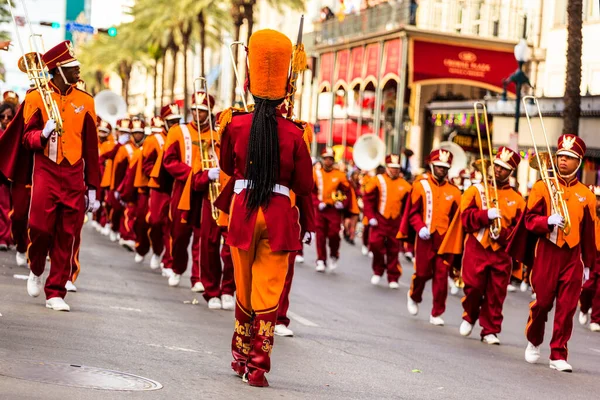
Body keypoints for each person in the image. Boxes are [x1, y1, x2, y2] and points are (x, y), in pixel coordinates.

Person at [218, 29, 313, 387]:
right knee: (268, 293)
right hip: (277, 215)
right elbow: (304, 186)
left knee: (243, 289)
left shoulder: (236, 123)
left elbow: (227, 166)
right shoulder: (295, 132)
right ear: (286, 90)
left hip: (244, 210)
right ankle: (258, 366)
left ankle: (240, 355)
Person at [0, 41, 99, 311]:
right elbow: (25, 138)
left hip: (74, 172)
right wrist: (43, 134)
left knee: (68, 233)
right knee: (40, 227)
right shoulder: (35, 97)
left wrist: (93, 187)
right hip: (46, 168)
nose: (78, 71)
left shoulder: (86, 101)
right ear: (58, 71)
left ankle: (55, 291)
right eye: (73, 68)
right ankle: (36, 268)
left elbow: (91, 146)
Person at [508, 134, 596, 372]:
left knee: (567, 308)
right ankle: (534, 340)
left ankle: (558, 353)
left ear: (578, 162)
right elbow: (528, 220)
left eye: (569, 157)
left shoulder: (586, 195)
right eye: (561, 157)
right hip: (547, 251)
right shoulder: (541, 186)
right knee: (543, 302)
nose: (563, 161)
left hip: (572, 257)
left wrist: (589, 264)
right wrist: (547, 220)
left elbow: (589, 233)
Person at [441, 147, 525, 344]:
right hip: (476, 246)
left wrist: (502, 233)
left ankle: (490, 330)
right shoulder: (475, 190)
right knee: (473, 287)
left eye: (504, 168)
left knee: (497, 292)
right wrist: (484, 216)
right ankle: (469, 316)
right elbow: (464, 217)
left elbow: (518, 231)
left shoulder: (518, 199)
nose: (498, 170)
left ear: (511, 172)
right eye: (496, 166)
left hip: (501, 251)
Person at [399, 149, 460, 326]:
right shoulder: (420, 185)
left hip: (444, 240)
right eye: (439, 166)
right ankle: (413, 295)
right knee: (422, 273)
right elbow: (412, 213)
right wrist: (419, 227)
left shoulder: (455, 192)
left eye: (445, 167)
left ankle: (437, 312)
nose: (442, 170)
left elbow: (457, 219)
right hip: (425, 238)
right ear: (432, 165)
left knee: (441, 277)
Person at [160, 93, 209, 288]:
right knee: (180, 234)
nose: (198, 114)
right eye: (195, 110)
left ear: (208, 113)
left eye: (202, 111)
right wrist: (192, 173)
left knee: (201, 235)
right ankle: (177, 268)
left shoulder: (215, 135)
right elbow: (168, 161)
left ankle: (197, 277)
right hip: (183, 189)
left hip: (206, 190)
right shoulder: (178, 131)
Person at [363, 154, 411, 288]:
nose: (394, 170)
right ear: (387, 167)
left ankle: (393, 276)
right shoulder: (377, 180)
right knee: (375, 244)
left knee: (394, 249)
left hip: (395, 221)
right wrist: (370, 216)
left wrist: (405, 223)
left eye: (397, 168)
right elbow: (367, 199)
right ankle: (378, 270)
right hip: (379, 219)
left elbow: (408, 206)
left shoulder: (405, 185)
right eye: (392, 167)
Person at [313, 147, 353, 272]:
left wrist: (342, 203)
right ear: (323, 159)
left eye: (330, 159)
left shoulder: (340, 175)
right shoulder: (316, 173)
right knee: (320, 235)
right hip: (320, 209)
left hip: (334, 210)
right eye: (326, 158)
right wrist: (317, 202)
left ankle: (334, 254)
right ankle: (321, 260)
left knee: (333, 234)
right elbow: (311, 191)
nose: (328, 161)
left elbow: (348, 192)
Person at [579, 185, 600, 333]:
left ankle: (596, 320)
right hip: (593, 255)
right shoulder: (591, 215)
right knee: (587, 287)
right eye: (597, 198)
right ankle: (584, 308)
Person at [0, 102, 16, 250]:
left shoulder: (14, 134)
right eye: (2, 116)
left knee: (6, 209)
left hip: (8, 177)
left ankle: (5, 238)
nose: (5, 119)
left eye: (9, 116)